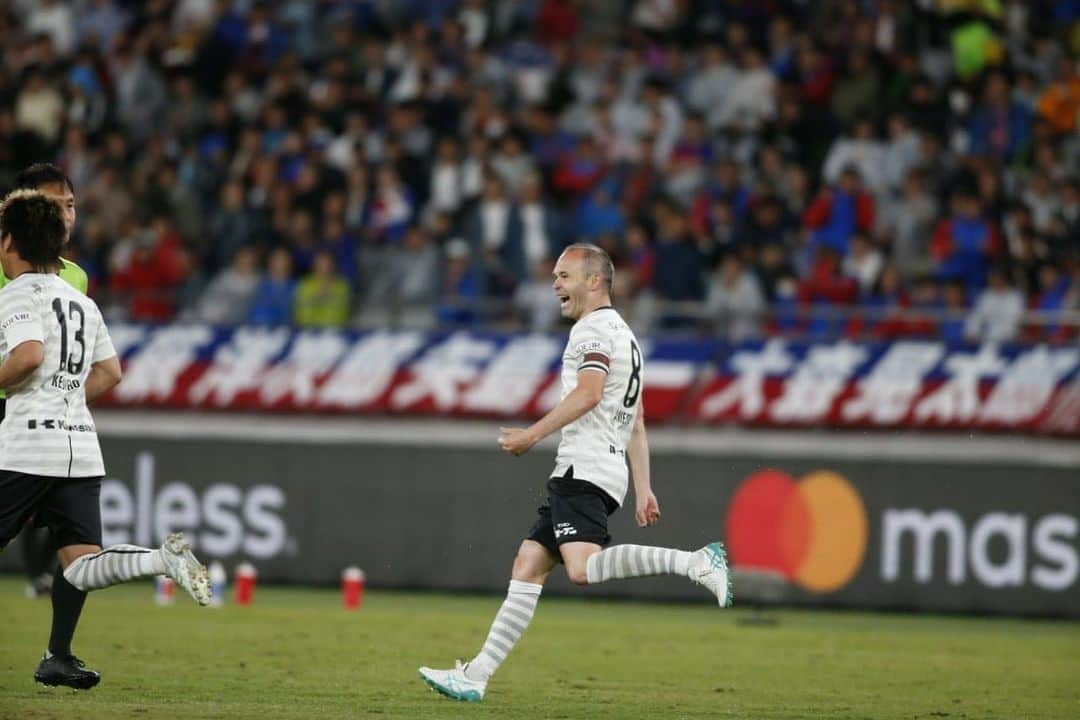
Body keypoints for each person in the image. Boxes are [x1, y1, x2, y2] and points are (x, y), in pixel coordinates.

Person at [418, 243, 731, 703]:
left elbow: (587, 394)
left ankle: (696, 562)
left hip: (583, 467)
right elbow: (637, 420)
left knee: (582, 570)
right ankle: (476, 675)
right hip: (603, 468)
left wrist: (531, 435)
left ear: (594, 281)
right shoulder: (624, 334)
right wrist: (643, 487)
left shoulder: (591, 331)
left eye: (564, 275)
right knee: (529, 563)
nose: (555, 284)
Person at [0, 190, 210, 690]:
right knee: (81, 565)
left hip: (28, 444)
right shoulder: (82, 302)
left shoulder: (16, 295)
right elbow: (111, 372)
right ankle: (162, 560)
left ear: (12, 242)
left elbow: (27, 356)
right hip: (79, 447)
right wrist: (66, 399)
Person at [4, 163, 90, 599]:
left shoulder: (76, 278)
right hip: (8, 406)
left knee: (65, 532)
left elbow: (69, 361)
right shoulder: (6, 265)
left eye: (71, 205)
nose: (67, 216)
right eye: (56, 206)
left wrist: (64, 398)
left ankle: (60, 650)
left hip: (39, 415)